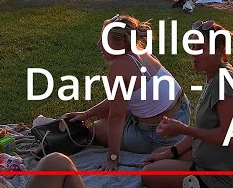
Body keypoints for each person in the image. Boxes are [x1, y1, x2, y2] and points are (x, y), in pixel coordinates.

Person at [140, 20, 233, 188]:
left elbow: (232, 136)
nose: (194, 53)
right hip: (213, 160)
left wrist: (183, 129)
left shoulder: (224, 82)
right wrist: (171, 151)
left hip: (226, 176)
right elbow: (203, 126)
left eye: (202, 47)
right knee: (160, 159)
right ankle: (183, 162)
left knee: (149, 174)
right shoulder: (215, 76)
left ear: (220, 49)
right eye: (193, 46)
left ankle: (200, 185)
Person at [63, 15, 192, 158]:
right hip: (181, 115)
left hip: (159, 134)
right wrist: (87, 114)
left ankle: (152, 145)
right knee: (101, 114)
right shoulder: (141, 52)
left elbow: (117, 117)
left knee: (97, 128)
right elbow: (119, 98)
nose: (99, 44)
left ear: (124, 42)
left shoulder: (120, 66)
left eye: (105, 40)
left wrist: (113, 157)